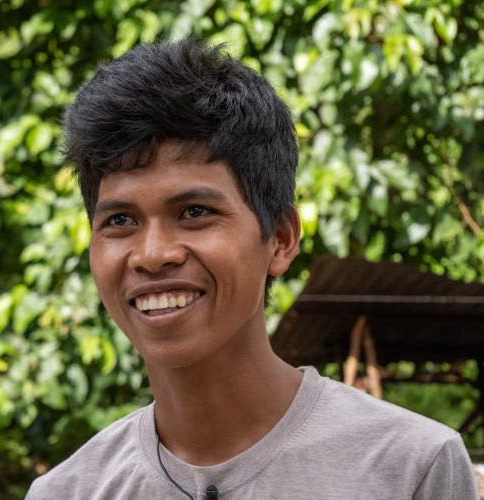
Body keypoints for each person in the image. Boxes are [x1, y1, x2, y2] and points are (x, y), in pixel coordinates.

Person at [24, 39, 478, 499]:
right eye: (120, 221)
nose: (152, 254)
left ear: (280, 238)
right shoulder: (67, 492)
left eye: (195, 211)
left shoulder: (411, 469)